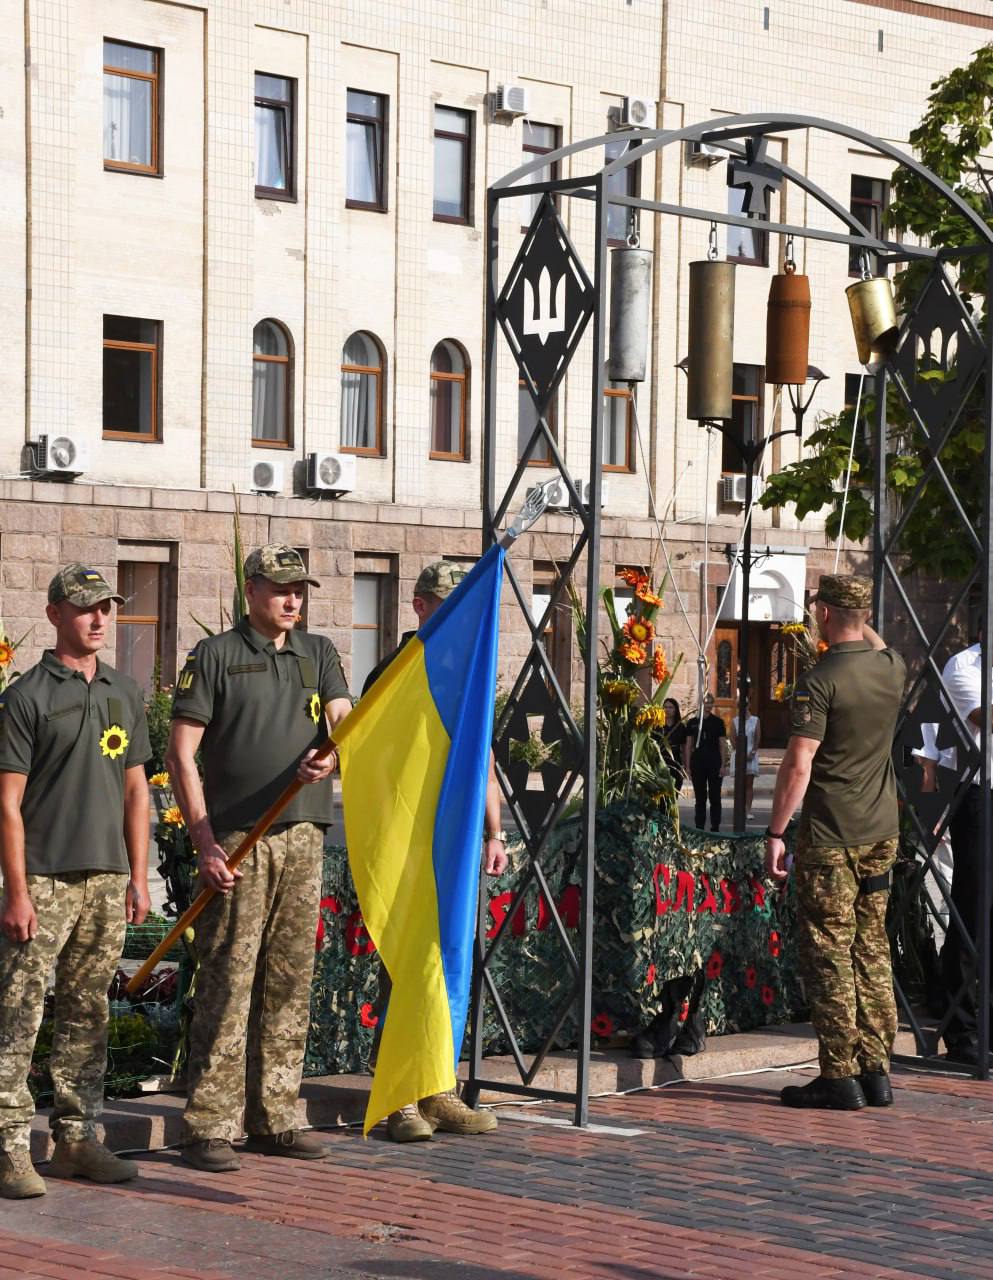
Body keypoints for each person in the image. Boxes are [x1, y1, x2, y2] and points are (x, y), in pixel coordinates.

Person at [166, 544, 353, 1172]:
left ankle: (276, 1113)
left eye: (300, 588)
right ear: (251, 590)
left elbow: (343, 723)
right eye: (280, 588)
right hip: (239, 838)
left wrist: (332, 755)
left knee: (290, 980)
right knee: (228, 977)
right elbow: (180, 753)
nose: (292, 599)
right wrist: (204, 841)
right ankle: (209, 1125)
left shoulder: (319, 652)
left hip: (302, 834)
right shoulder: (216, 656)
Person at [0, 564, 152, 1198]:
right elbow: (6, 801)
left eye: (106, 608)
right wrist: (16, 891)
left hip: (105, 878)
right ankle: (8, 1146)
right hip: (45, 879)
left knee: (88, 1013)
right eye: (86, 607)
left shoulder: (123, 691)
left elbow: (137, 791)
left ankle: (77, 1138)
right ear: (56, 612)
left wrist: (138, 876)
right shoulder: (26, 695)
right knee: (18, 1014)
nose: (99, 619)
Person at [361, 560, 508, 1143]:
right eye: (445, 605)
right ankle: (400, 1094)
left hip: (457, 843)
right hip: (409, 847)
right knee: (406, 967)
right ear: (419, 606)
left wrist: (495, 832)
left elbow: (482, 762)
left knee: (450, 963)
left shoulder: (466, 676)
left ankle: (439, 1087)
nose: (455, 617)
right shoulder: (398, 673)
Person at [766, 573, 905, 1111]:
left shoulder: (819, 679)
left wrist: (776, 831)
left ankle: (839, 1076)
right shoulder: (891, 668)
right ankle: (878, 1071)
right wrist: (855, 617)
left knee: (829, 953)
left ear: (823, 613)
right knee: (872, 947)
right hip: (881, 832)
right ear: (864, 615)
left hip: (832, 835)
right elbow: (877, 642)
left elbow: (799, 763)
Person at [939, 634, 992, 1065]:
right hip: (978, 795)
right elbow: (985, 717)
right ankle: (961, 1027)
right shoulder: (965, 667)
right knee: (971, 905)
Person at [681, 692, 730, 832]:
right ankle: (699, 827)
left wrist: (723, 764)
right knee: (700, 797)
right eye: (705, 703)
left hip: (714, 762)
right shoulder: (692, 723)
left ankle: (715, 826)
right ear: (700, 704)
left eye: (710, 703)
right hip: (698, 763)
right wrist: (688, 766)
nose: (708, 705)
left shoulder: (718, 722)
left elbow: (722, 745)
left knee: (715, 796)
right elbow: (688, 746)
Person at [730, 696, 762, 818]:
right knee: (739, 784)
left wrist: (753, 752)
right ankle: (739, 809)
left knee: (749, 784)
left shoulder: (755, 720)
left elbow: (757, 738)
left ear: (748, 705)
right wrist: (739, 752)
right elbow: (732, 738)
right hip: (739, 753)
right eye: (739, 706)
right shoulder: (735, 721)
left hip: (750, 753)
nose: (742, 708)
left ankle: (747, 811)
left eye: (745, 705)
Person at [659, 697, 686, 793]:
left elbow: (684, 747)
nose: (667, 710)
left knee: (675, 791)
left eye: (671, 707)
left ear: (675, 710)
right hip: (660, 761)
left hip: (676, 761)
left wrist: (685, 765)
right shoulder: (657, 726)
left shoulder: (680, 726)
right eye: (665, 707)